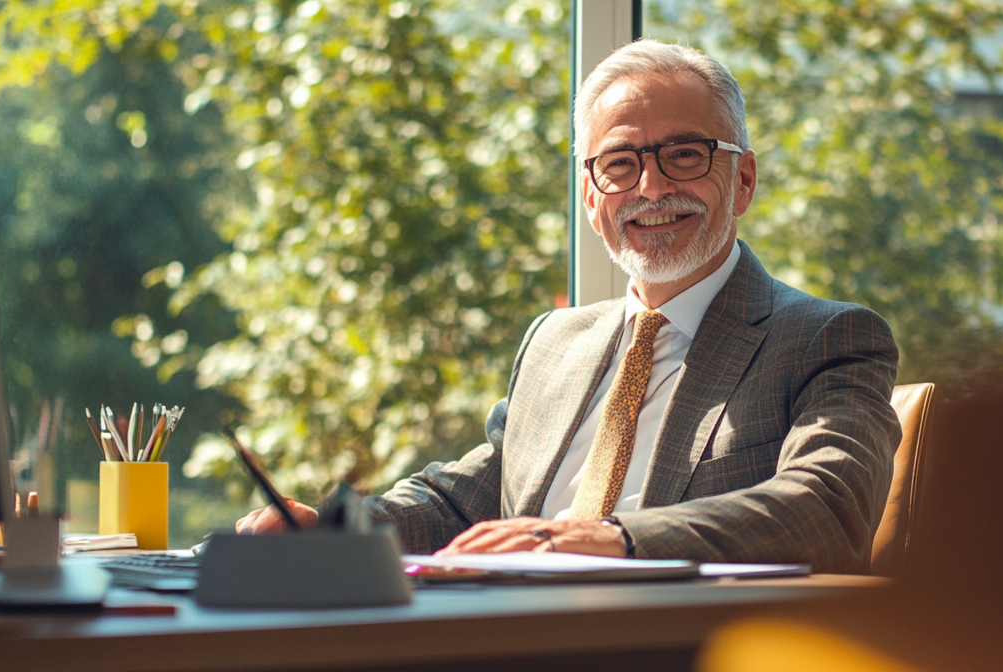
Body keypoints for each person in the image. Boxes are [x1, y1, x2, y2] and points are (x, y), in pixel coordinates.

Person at [237, 39, 900, 574]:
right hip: (500, 633)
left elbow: (826, 509)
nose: (652, 186)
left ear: (744, 179)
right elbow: (459, 500)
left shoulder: (828, 338)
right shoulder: (556, 342)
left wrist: (612, 539)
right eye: (618, 164)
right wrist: (328, 528)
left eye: (685, 155)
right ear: (589, 197)